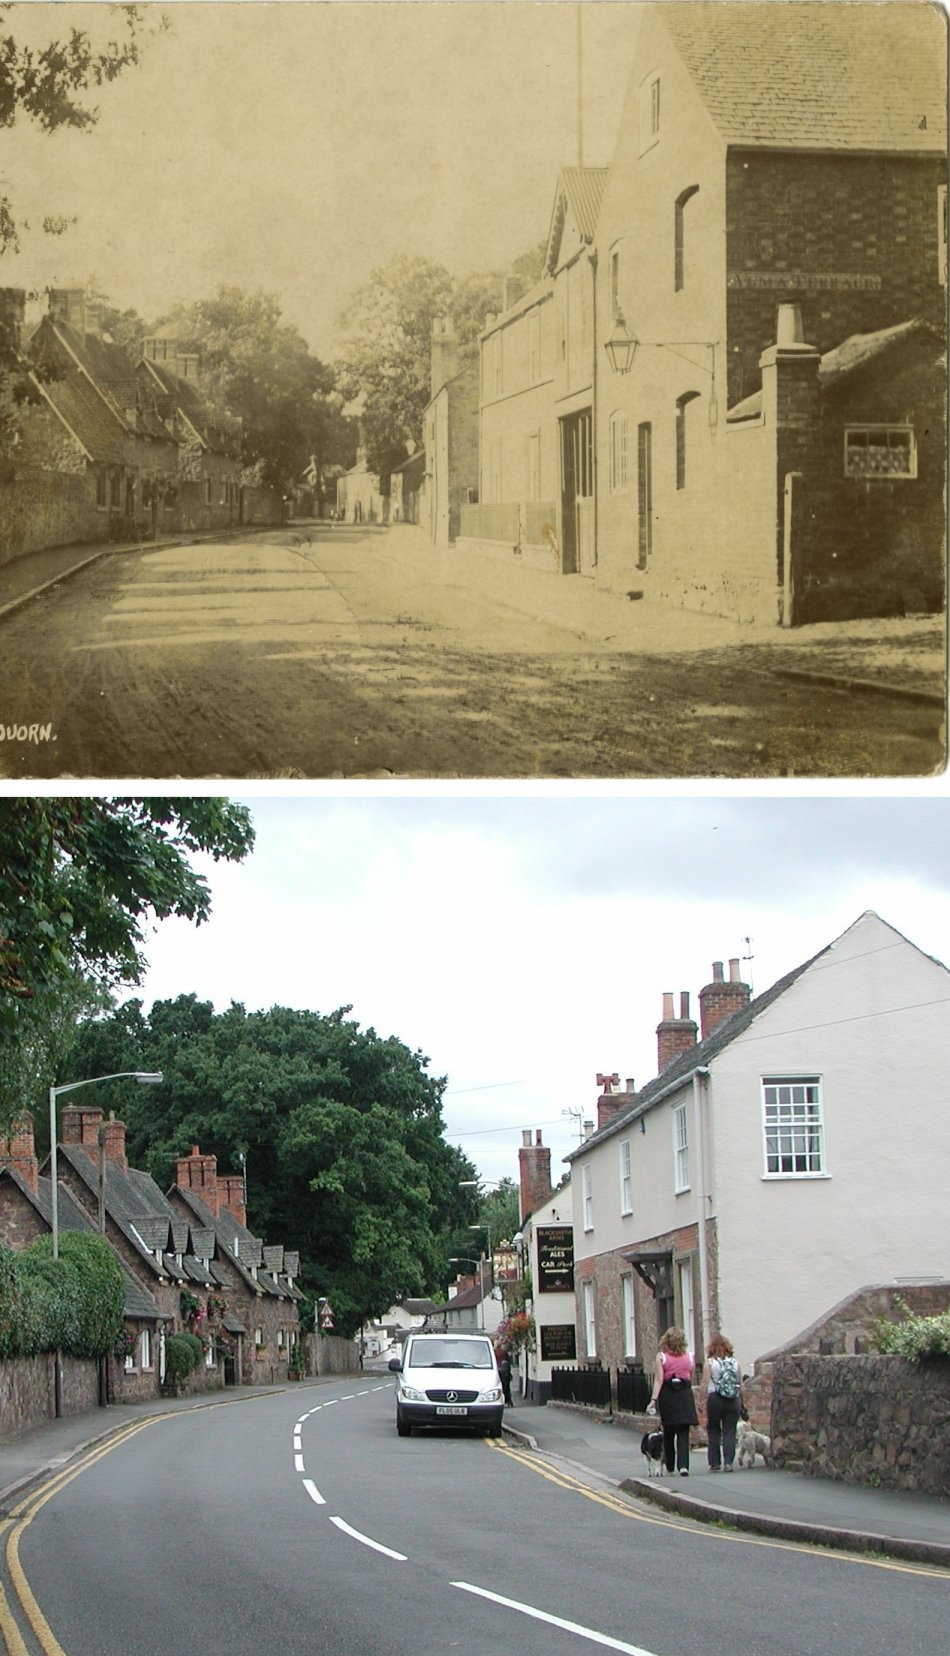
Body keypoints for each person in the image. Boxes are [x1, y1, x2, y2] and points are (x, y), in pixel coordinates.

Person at [647, 1326, 698, 1475]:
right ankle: (683, 1466)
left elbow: (659, 1379)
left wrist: (653, 1400)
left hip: (668, 1396)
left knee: (668, 1432)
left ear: (666, 1341)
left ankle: (669, 1467)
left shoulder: (661, 1357)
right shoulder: (690, 1357)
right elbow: (691, 1376)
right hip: (684, 1395)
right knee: (683, 1432)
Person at [700, 1332, 743, 1473]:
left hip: (715, 1398)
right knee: (730, 1430)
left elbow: (705, 1383)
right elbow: (741, 1384)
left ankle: (715, 1463)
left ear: (711, 1348)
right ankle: (729, 1462)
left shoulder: (710, 1363)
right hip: (733, 1399)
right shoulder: (735, 1363)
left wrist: (701, 1400)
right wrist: (743, 1401)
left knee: (713, 1429)